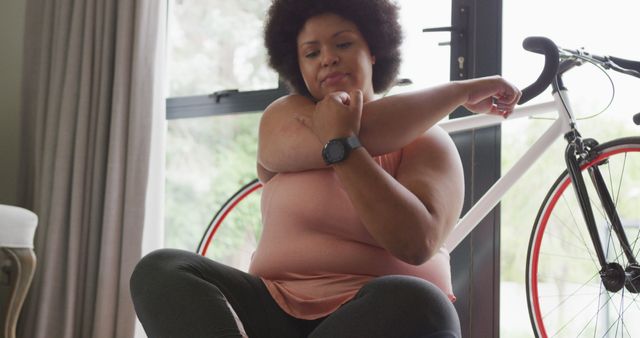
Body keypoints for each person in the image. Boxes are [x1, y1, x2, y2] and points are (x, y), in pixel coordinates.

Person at [130, 0, 521, 337]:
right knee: (162, 270)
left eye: (344, 43)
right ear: (297, 66)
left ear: (374, 51)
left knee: (422, 301)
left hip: (379, 319)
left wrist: (343, 147)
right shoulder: (284, 118)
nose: (328, 58)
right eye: (311, 52)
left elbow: (414, 243)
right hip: (273, 309)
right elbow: (373, 126)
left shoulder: (428, 141)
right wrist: (459, 91)